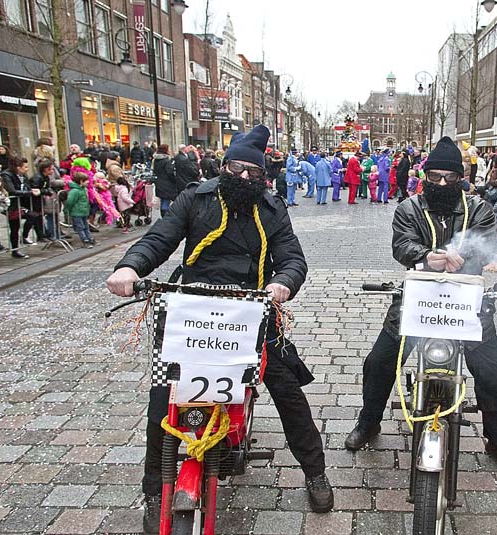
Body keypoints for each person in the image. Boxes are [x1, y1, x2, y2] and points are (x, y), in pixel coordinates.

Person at [105, 125, 334, 532]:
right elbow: (160, 238)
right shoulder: (196, 197)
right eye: (236, 167)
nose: (242, 177)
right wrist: (130, 266)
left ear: (263, 175)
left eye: (252, 171)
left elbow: (292, 257)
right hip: (193, 310)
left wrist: (283, 283)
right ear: (223, 166)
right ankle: (154, 489)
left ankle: (315, 471)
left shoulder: (272, 207)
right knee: (164, 399)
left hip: (252, 310)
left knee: (285, 387)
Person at [343, 136, 497, 476]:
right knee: (379, 361)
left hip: (466, 301)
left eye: (450, 177)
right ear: (425, 177)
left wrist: (462, 257)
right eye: (435, 176)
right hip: (418, 299)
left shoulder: (479, 208)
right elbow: (402, 244)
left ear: (461, 178)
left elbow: (487, 245)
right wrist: (426, 256)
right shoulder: (409, 207)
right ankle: (369, 423)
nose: (442, 183)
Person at [1, 156, 43, 257]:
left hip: (22, 204)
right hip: (11, 205)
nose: (27, 169)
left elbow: (27, 186)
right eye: (25, 167)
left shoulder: (23, 176)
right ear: (18, 167)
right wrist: (29, 192)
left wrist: (32, 190)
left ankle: (24, 237)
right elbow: (12, 191)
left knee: (34, 216)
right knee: (14, 227)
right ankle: (15, 250)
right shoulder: (6, 175)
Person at [65, 172, 95, 248]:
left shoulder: (83, 189)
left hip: (83, 212)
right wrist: (68, 210)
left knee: (86, 226)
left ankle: (90, 238)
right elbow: (70, 201)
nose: (88, 182)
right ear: (81, 181)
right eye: (86, 180)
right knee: (80, 227)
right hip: (77, 212)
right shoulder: (75, 191)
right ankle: (85, 240)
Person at [151, 144, 182, 218]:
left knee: (164, 199)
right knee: (167, 200)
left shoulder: (156, 160)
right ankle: (166, 216)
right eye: (168, 149)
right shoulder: (166, 161)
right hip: (167, 184)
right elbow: (170, 173)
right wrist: (175, 180)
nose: (170, 150)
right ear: (165, 150)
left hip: (159, 183)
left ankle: (164, 215)